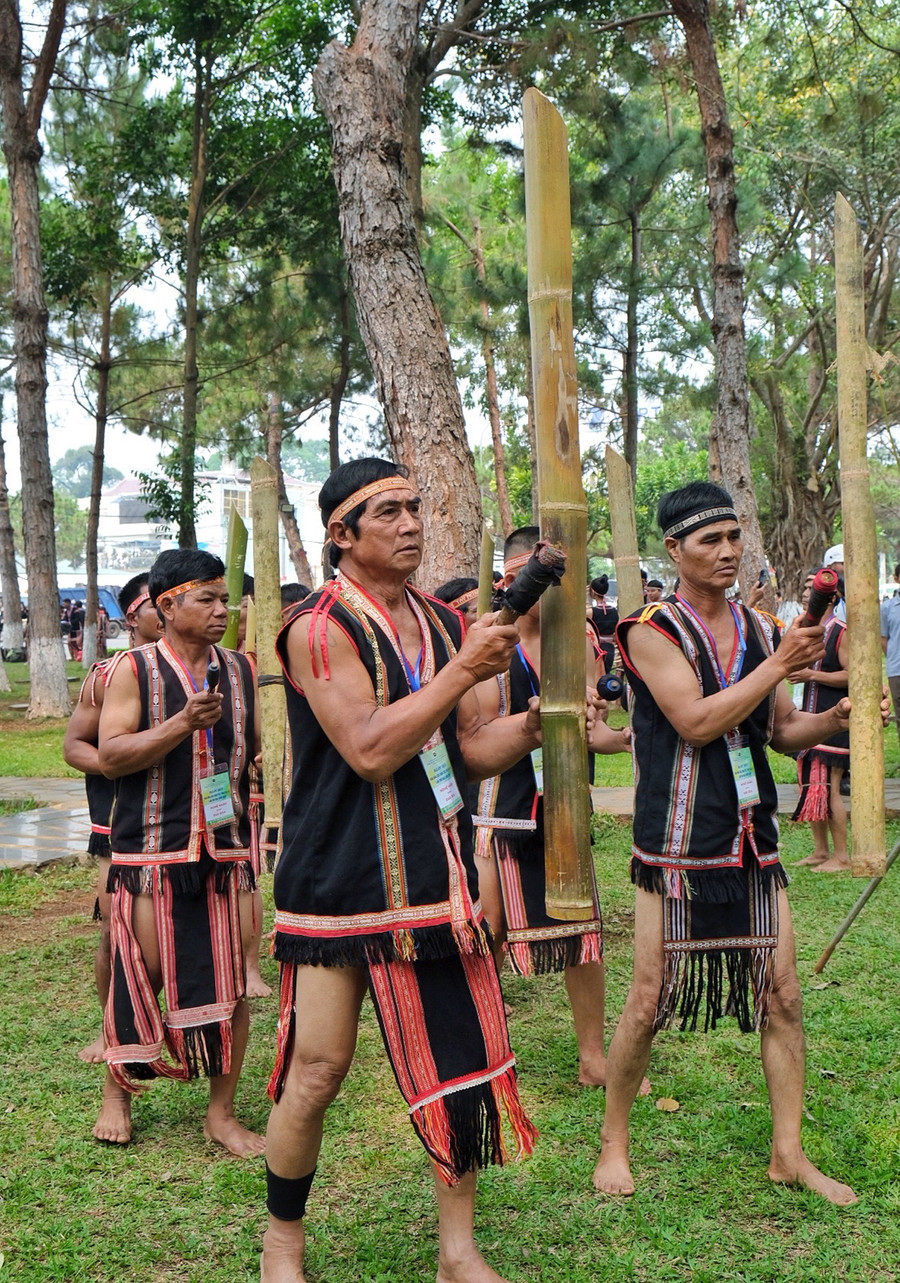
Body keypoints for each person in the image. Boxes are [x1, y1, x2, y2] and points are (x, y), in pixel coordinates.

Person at [262, 459, 548, 1283]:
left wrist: (532, 725)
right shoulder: (316, 626)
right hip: (337, 876)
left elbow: (466, 748)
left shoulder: (441, 619)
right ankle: (282, 1241)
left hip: (434, 873)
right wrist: (465, 670)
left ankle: (458, 1252)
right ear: (340, 534)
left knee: (459, 1065)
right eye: (387, 511)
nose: (412, 523)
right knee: (317, 1068)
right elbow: (372, 749)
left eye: (416, 507)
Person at [593, 481, 862, 1207]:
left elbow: (778, 731)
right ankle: (614, 1138)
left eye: (735, 536)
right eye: (709, 540)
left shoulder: (754, 624)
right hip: (676, 841)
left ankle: (787, 1151)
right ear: (674, 550)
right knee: (649, 999)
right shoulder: (648, 628)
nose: (728, 551)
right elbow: (696, 722)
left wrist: (840, 710)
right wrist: (779, 664)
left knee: (785, 996)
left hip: (751, 837)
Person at [94, 549, 264, 1156]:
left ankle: (221, 1113)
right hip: (152, 854)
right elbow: (110, 755)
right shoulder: (132, 670)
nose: (224, 610)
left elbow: (249, 753)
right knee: (140, 975)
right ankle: (117, 1090)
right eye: (209, 599)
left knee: (233, 985)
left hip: (225, 849)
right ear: (167, 605)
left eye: (227, 599)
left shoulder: (241, 669)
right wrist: (180, 726)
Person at [472, 528, 633, 1091]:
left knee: (583, 930)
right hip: (501, 802)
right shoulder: (489, 637)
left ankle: (594, 1056)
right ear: (508, 578)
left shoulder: (581, 637)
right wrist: (534, 722)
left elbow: (595, 731)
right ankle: (483, 1046)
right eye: (526, 576)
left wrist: (624, 736)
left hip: (566, 799)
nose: (537, 588)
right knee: (486, 927)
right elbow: (480, 725)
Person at [64, 573, 163, 1064]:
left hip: (180, 823)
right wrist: (117, 761)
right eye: (153, 605)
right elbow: (74, 746)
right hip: (117, 823)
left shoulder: (206, 669)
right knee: (113, 930)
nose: (163, 614)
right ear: (131, 617)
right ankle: (111, 1029)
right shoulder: (107, 675)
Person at [790, 573, 850, 872]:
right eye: (804, 589)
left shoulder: (840, 631)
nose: (805, 594)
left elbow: (853, 675)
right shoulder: (808, 631)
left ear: (832, 597)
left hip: (835, 721)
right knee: (810, 787)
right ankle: (820, 850)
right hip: (809, 720)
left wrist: (811, 674)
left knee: (830, 788)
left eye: (811, 590)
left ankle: (841, 856)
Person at [881, 563, 900, 749]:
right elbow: (884, 638)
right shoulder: (887, 608)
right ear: (896, 579)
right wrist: (893, 656)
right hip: (897, 667)